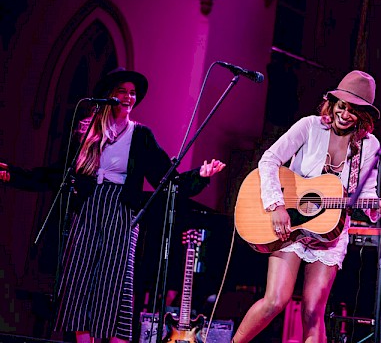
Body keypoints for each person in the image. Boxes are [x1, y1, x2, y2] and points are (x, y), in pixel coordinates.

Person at [0, 68, 226, 343]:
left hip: (121, 213)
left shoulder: (140, 136)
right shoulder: (87, 134)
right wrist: (14, 175)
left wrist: (199, 176)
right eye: (122, 91)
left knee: (114, 283)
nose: (129, 97)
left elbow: (167, 180)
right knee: (79, 280)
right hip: (87, 211)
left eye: (132, 93)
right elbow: (56, 174)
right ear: (109, 95)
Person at [232, 70, 381, 343]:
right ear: (333, 103)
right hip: (291, 224)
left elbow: (366, 194)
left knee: (312, 311)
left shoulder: (370, 145)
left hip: (330, 232)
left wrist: (379, 208)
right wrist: (276, 205)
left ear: (363, 116)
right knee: (275, 300)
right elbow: (269, 160)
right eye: (341, 106)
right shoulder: (310, 126)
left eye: (353, 111)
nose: (345, 114)